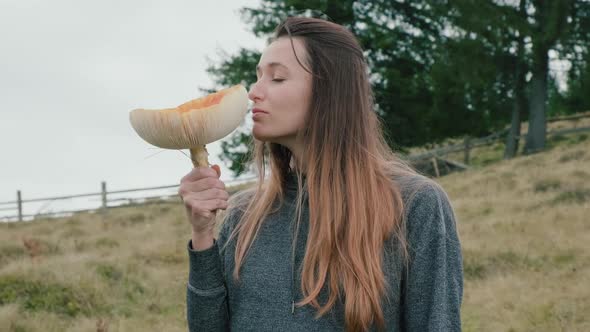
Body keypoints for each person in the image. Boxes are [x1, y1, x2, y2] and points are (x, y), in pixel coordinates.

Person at [179, 16, 463, 332]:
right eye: (258, 77)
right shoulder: (243, 215)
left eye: (277, 78)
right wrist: (202, 234)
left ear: (329, 92)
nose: (254, 93)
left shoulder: (413, 205)